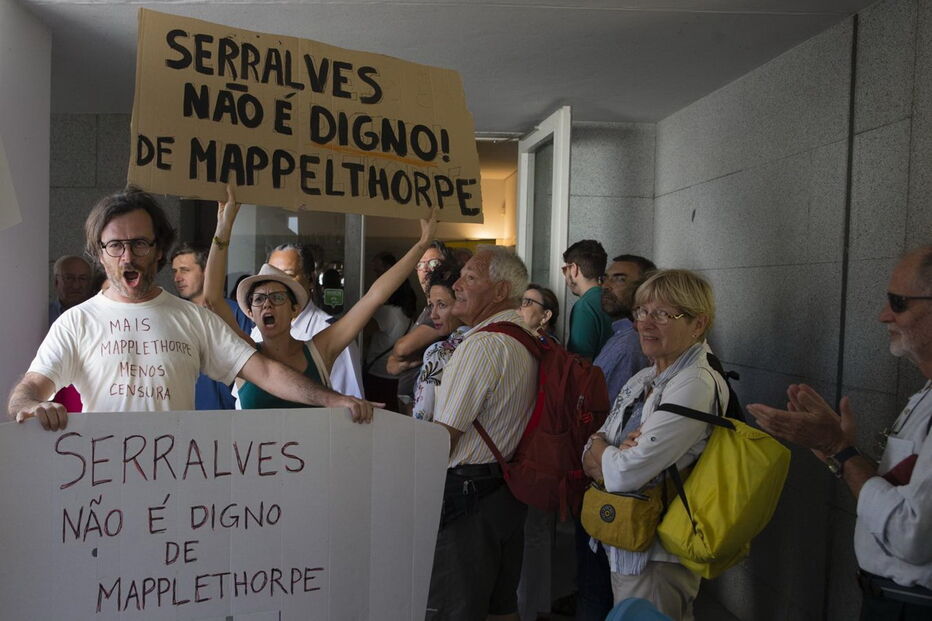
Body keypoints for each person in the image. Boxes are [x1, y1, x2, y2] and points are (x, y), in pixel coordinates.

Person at [8, 187, 375, 431]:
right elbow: (29, 389)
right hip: (104, 489)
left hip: (179, 487)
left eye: (139, 243)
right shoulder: (76, 322)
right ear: (100, 255)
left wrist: (334, 399)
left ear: (159, 250)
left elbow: (265, 371)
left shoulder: (192, 319)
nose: (128, 256)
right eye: (115, 246)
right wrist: (30, 406)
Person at [747, 247, 932, 620]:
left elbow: (911, 535)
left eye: (898, 303)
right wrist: (839, 454)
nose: (883, 316)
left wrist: (840, 449)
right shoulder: (924, 393)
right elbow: (898, 490)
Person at [203, 187, 438, 410]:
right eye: (259, 299)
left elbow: (374, 297)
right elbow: (212, 298)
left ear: (295, 309)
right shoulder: (245, 352)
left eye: (277, 297)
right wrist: (223, 228)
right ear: (251, 313)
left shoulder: (319, 350)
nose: (267, 303)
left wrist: (421, 245)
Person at [581, 269, 727, 621]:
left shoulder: (695, 383)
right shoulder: (646, 376)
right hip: (627, 541)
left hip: (656, 557)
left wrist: (605, 452)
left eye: (663, 314)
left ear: (698, 324)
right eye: (642, 312)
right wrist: (606, 449)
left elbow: (624, 473)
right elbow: (588, 450)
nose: (645, 324)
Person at [427, 246, 537, 621]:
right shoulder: (524, 337)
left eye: (470, 278)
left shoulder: (484, 345)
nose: (457, 284)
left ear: (500, 290)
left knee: (454, 608)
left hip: (469, 498)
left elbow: (442, 438)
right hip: (504, 493)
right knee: (500, 607)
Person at [258, 241, 365, 399]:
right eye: (271, 277)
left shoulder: (332, 333)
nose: (279, 285)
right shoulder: (259, 330)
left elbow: (350, 403)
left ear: (310, 280)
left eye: (288, 275)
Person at [170, 241, 254, 410]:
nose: (177, 278)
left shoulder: (235, 314)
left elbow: (250, 367)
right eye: (175, 271)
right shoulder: (173, 317)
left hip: (227, 417)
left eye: (185, 270)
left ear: (206, 271)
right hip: (184, 416)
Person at [386, 240, 456, 396]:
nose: (426, 270)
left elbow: (402, 348)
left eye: (433, 263)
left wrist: (397, 360)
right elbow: (392, 365)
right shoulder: (428, 308)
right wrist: (396, 361)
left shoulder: (444, 309)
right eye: (420, 264)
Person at [595, 255, 656, 404]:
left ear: (644, 288)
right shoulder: (622, 335)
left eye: (620, 279)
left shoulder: (630, 344)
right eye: (605, 278)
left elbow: (607, 413)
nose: (605, 286)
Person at [411, 263, 466, 422]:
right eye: (431, 306)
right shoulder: (487, 336)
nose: (433, 315)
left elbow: (421, 417)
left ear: (462, 303)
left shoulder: (439, 353)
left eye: (442, 305)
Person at [563, 240, 613, 360]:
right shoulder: (613, 299)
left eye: (565, 270)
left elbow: (580, 364)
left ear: (574, 269)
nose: (565, 276)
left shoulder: (584, 307)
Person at [49, 255, 93, 323]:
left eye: (82, 278)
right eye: (69, 278)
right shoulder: (44, 315)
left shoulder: (98, 314)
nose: (76, 286)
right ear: (56, 282)